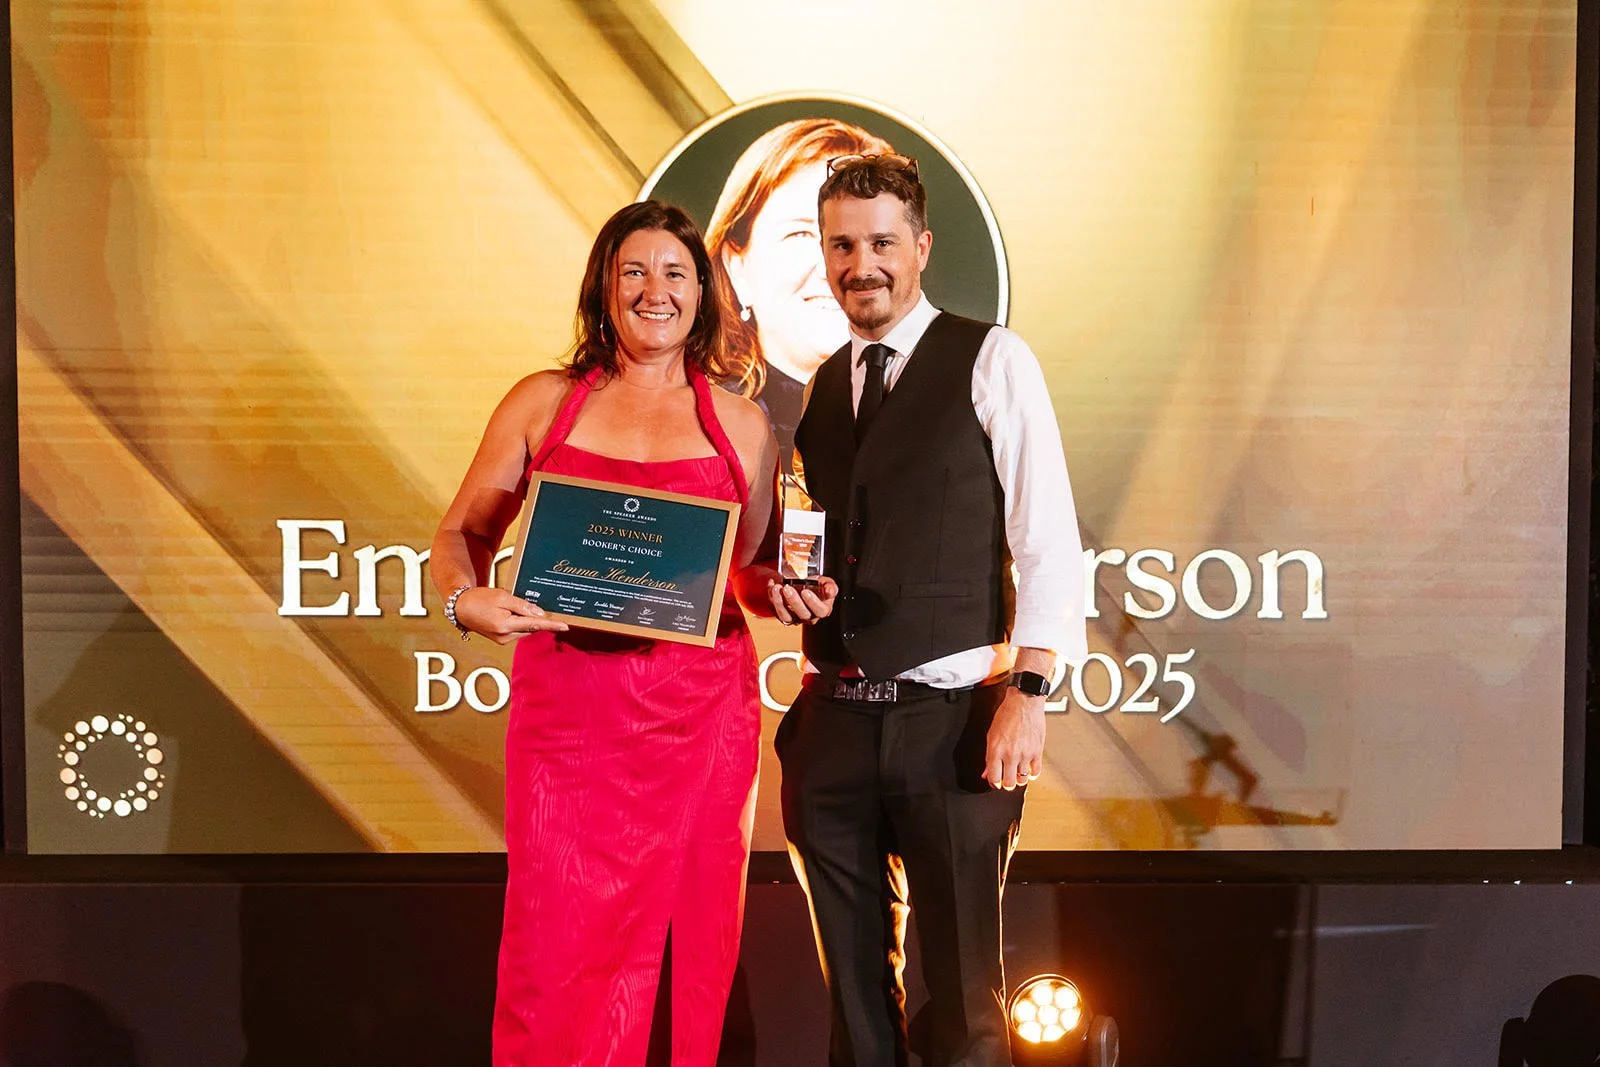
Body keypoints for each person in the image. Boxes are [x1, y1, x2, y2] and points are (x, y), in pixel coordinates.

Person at [430, 200, 786, 1066]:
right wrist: (463, 601)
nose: (653, 291)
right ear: (603, 285)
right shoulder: (542, 402)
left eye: (675, 272)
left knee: (685, 945)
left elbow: (750, 576)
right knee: (554, 948)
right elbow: (460, 536)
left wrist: (795, 593)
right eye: (634, 270)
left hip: (701, 720)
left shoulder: (741, 423)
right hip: (570, 716)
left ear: (704, 292)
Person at [768, 155, 1089, 1066]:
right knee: (857, 1011)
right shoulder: (827, 382)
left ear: (921, 247)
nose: (858, 264)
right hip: (833, 724)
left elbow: (1048, 537)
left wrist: (1030, 690)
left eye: (879, 243)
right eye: (840, 244)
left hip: (949, 726)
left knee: (964, 1005)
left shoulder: (991, 356)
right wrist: (806, 591)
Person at [705, 118, 894, 483]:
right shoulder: (689, 425)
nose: (833, 266)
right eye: (801, 233)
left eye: (868, 237)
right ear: (736, 266)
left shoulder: (935, 418)